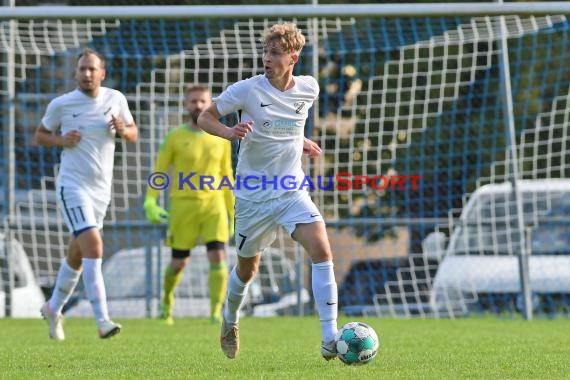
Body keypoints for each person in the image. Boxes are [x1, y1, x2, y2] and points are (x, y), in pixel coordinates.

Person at [198, 23, 338, 360]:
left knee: (321, 250)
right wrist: (230, 131)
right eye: (265, 52)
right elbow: (205, 117)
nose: (266, 58)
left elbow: (289, 122)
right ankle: (229, 319)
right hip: (253, 195)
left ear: (293, 57)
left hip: (291, 190)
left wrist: (299, 140)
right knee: (247, 270)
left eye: (274, 53)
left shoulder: (309, 88)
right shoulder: (247, 90)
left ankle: (331, 337)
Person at [35, 48, 138, 340]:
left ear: (102, 73)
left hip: (101, 190)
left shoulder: (115, 99)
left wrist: (123, 130)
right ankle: (102, 320)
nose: (87, 74)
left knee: (78, 254)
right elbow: (40, 135)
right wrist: (61, 140)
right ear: (76, 73)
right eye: (82, 69)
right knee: (94, 245)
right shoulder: (63, 104)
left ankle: (54, 307)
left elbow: (133, 133)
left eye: (92, 69)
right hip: (72, 186)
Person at [143, 84, 234, 326]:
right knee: (179, 262)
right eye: (193, 101)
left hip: (213, 206)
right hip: (183, 206)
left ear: (210, 104)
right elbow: (160, 171)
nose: (198, 105)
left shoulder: (221, 137)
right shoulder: (175, 137)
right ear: (186, 105)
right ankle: (167, 301)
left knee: (218, 256)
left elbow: (227, 175)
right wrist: (150, 201)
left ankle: (216, 312)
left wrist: (233, 210)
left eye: (202, 101)